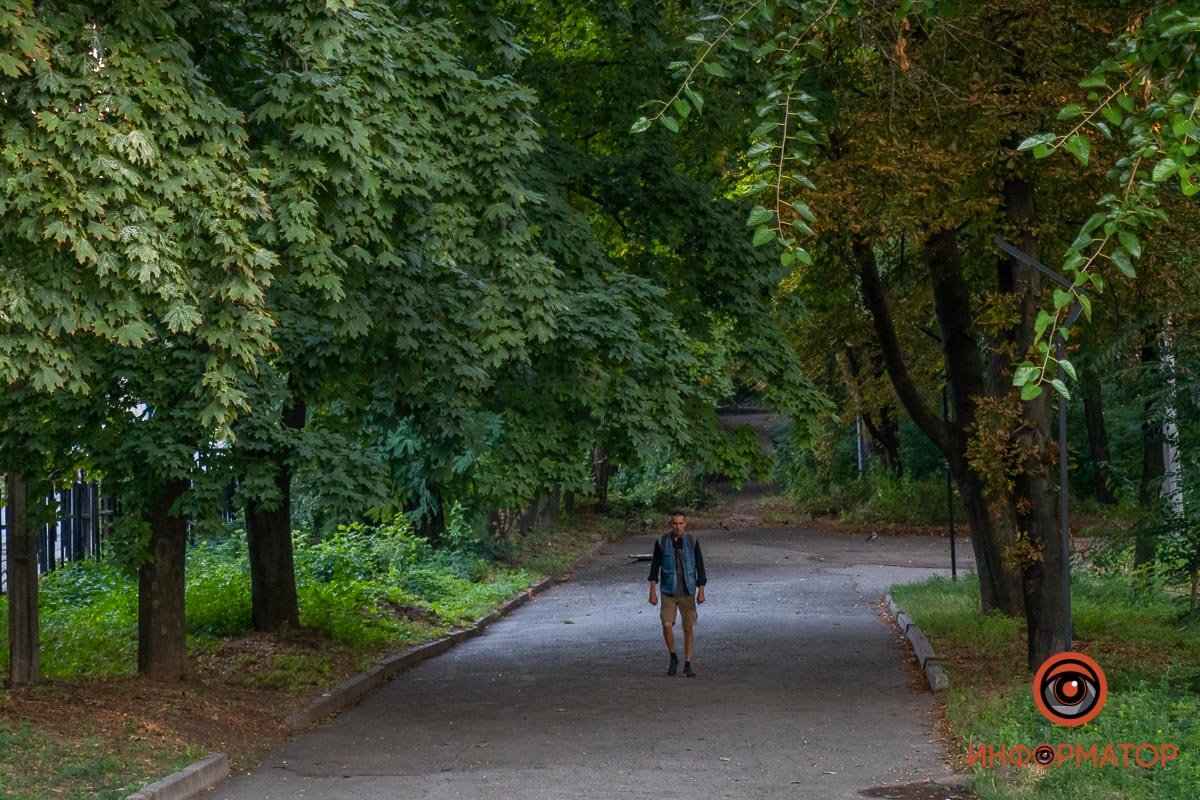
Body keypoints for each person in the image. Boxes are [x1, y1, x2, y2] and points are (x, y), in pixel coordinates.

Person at [647, 510, 706, 677]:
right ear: (670, 524)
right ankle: (673, 656)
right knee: (666, 624)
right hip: (668, 590)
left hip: (687, 590)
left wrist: (701, 591)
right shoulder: (662, 541)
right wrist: (652, 592)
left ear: (685, 524)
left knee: (688, 628)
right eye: (675, 523)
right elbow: (654, 568)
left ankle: (688, 663)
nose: (678, 526)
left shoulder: (691, 541)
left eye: (681, 523)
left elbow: (700, 568)